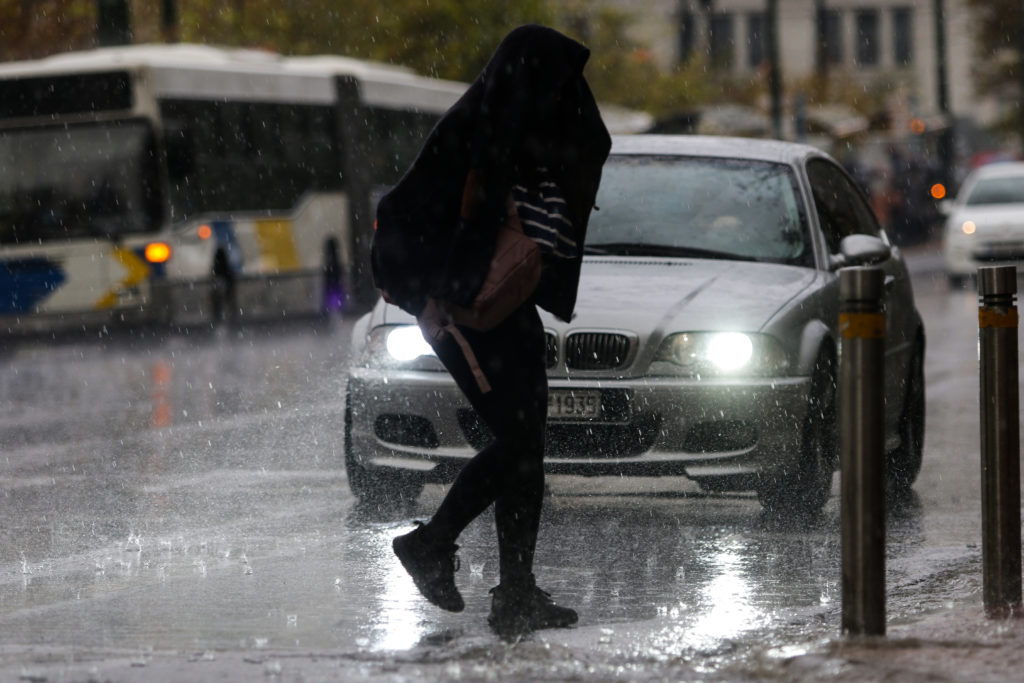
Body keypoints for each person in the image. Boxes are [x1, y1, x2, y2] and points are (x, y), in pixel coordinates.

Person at [371, 24, 610, 636]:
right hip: (457, 307)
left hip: (501, 302)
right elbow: (406, 214)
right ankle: (433, 543)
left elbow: (587, 151)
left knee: (527, 446)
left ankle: (516, 593)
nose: (567, 95)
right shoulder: (477, 130)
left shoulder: (523, 128)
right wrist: (430, 295)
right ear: (530, 79)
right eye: (558, 83)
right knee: (518, 442)